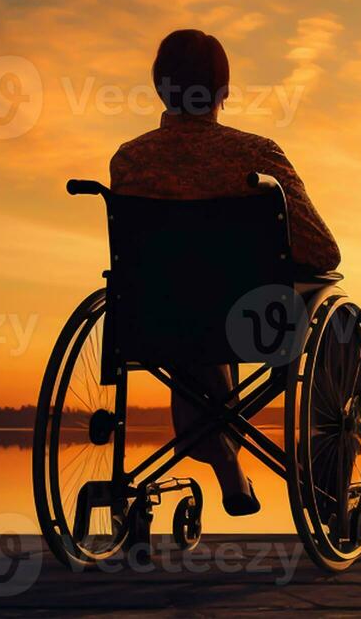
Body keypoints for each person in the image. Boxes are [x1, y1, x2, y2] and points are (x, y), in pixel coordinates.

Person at [110, 29, 341, 516]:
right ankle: (331, 487)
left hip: (153, 322)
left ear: (159, 89)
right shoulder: (255, 155)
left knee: (192, 316)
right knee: (339, 324)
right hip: (252, 325)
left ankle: (227, 465)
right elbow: (324, 251)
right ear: (224, 92)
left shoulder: (129, 161)